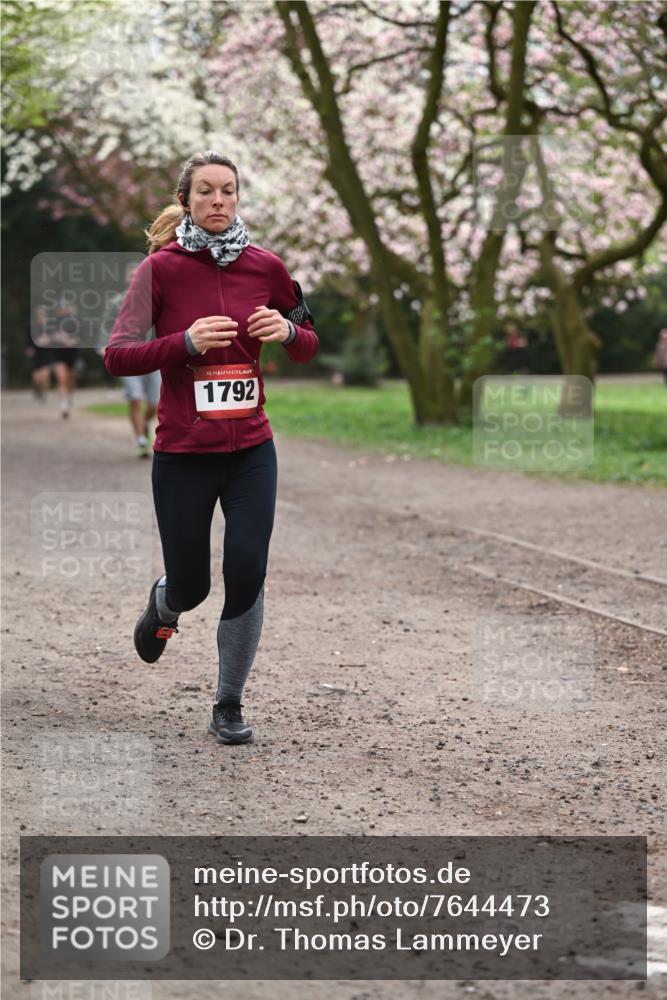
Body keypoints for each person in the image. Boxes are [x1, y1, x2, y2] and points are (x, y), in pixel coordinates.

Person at [104, 150, 319, 745]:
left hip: (251, 450)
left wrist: (289, 331)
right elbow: (117, 355)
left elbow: (308, 341)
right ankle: (165, 607)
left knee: (248, 567)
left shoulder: (267, 267)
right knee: (192, 585)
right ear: (186, 201)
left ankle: (228, 703)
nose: (218, 199)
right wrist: (185, 342)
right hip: (184, 455)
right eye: (205, 191)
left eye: (227, 190)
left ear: (238, 198)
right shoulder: (159, 271)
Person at [100, 262, 161, 458]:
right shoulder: (117, 303)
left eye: (138, 274)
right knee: (135, 397)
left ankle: (144, 423)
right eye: (131, 275)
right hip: (127, 356)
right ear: (127, 279)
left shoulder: (156, 298)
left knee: (155, 404)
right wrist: (104, 346)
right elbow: (106, 327)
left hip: (153, 356)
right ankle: (141, 441)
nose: (135, 277)